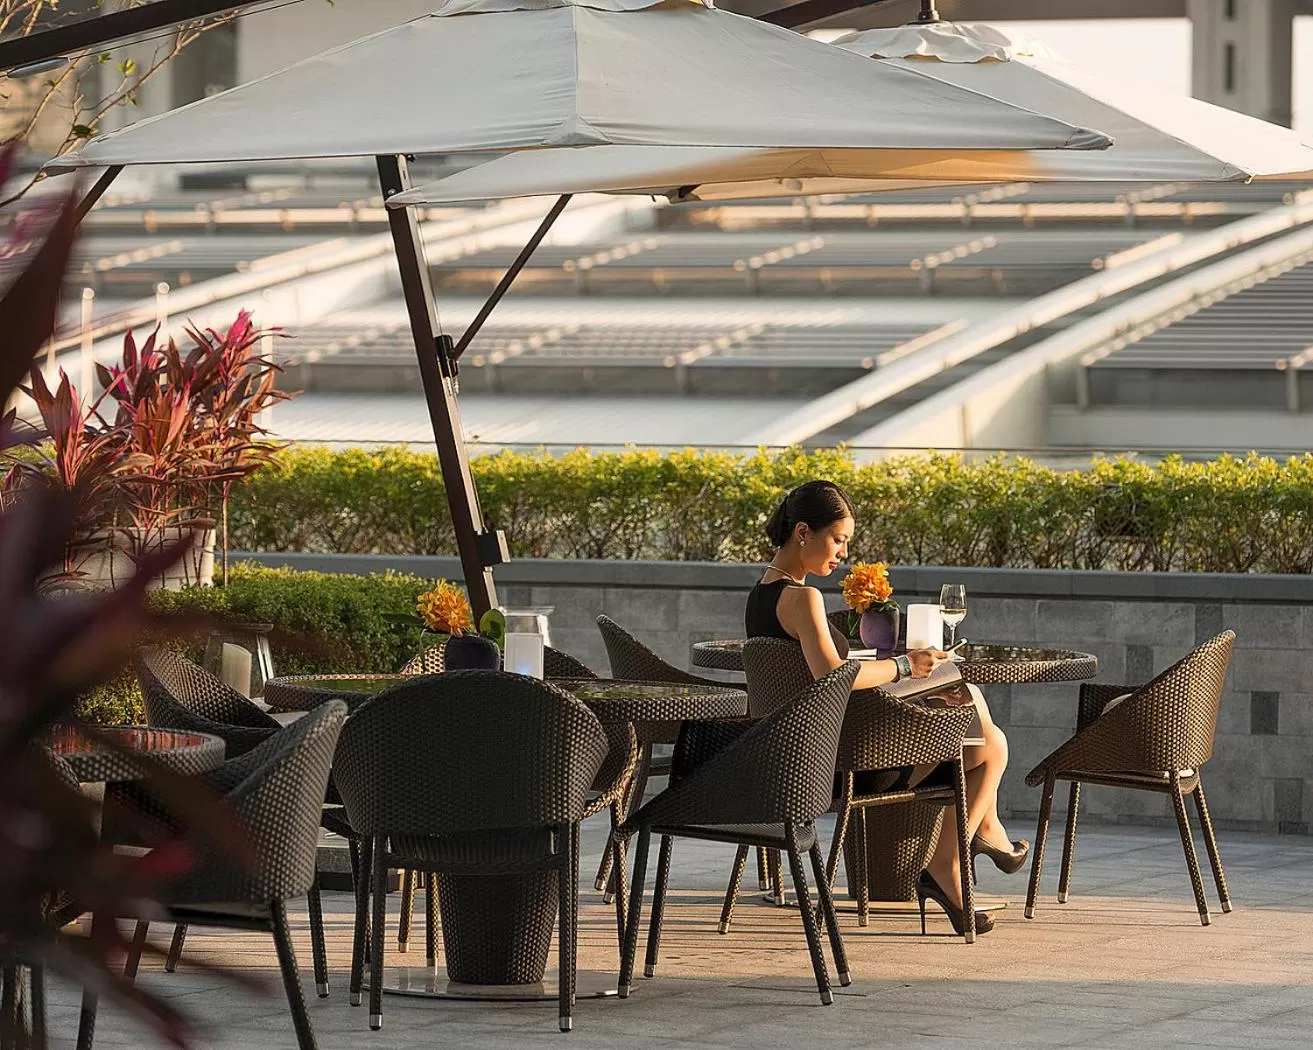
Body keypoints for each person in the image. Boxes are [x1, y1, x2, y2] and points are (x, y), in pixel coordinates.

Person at [745, 479, 1028, 937]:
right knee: (991, 744)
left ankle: (976, 841)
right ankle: (949, 864)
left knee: (976, 723)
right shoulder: (803, 599)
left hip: (806, 757)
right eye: (838, 540)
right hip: (845, 767)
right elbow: (834, 675)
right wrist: (904, 666)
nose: (841, 554)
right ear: (802, 532)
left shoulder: (760, 598)